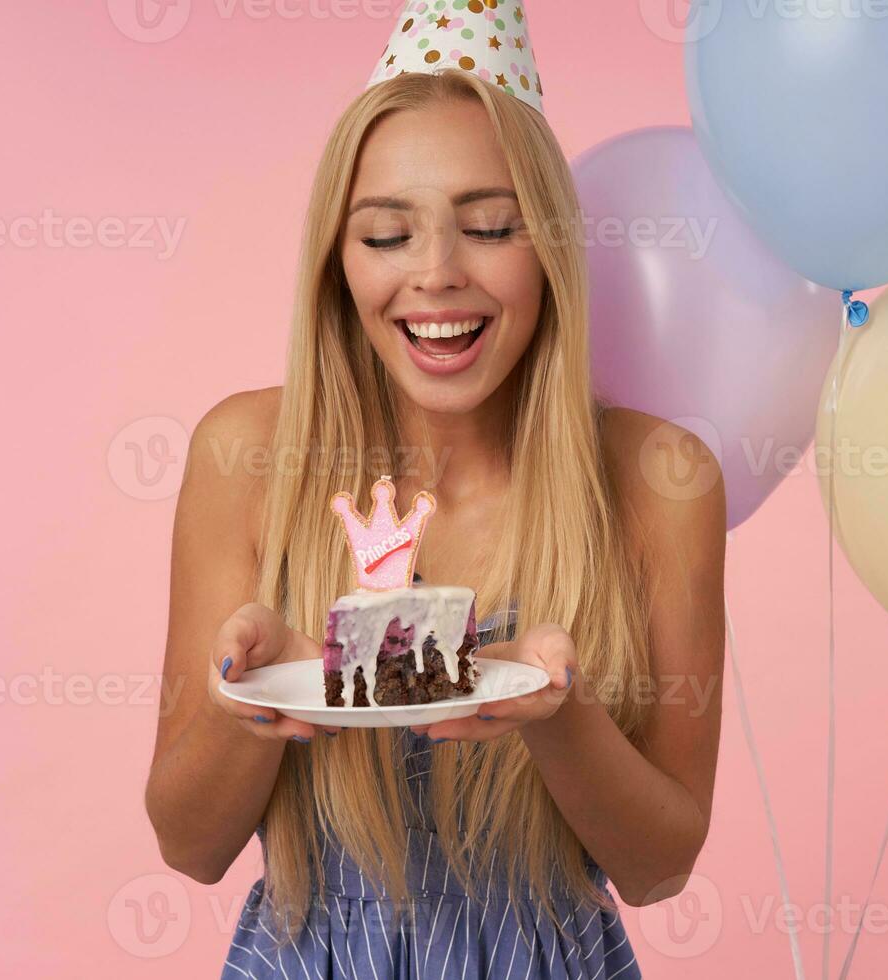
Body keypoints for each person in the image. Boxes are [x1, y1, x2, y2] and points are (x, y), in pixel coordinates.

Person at [145, 6, 726, 976]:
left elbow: (661, 867)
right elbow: (187, 843)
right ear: (337, 262)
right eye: (386, 235)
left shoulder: (660, 478)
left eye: (490, 225)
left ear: (546, 245)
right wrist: (256, 703)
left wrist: (559, 712)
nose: (437, 275)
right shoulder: (245, 453)